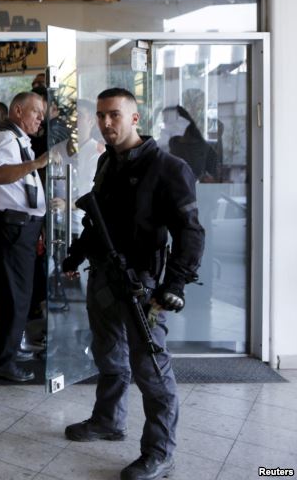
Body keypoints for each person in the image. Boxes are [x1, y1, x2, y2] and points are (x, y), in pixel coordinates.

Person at [62, 88, 204, 480]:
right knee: (109, 356)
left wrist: (175, 283)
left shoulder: (168, 167)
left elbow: (190, 232)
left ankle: (160, 451)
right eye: (102, 116)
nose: (107, 123)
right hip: (105, 277)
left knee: (151, 371)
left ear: (134, 118)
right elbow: (98, 223)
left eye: (115, 116)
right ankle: (108, 421)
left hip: (143, 284)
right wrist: (74, 257)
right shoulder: (108, 162)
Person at [0, 91, 47, 383]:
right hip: (11, 227)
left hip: (20, 227)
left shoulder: (16, 138)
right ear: (18, 111)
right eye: (36, 112)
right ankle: (1, 362)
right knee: (16, 299)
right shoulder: (4, 138)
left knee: (16, 297)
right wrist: (37, 164)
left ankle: (3, 352)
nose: (40, 119)